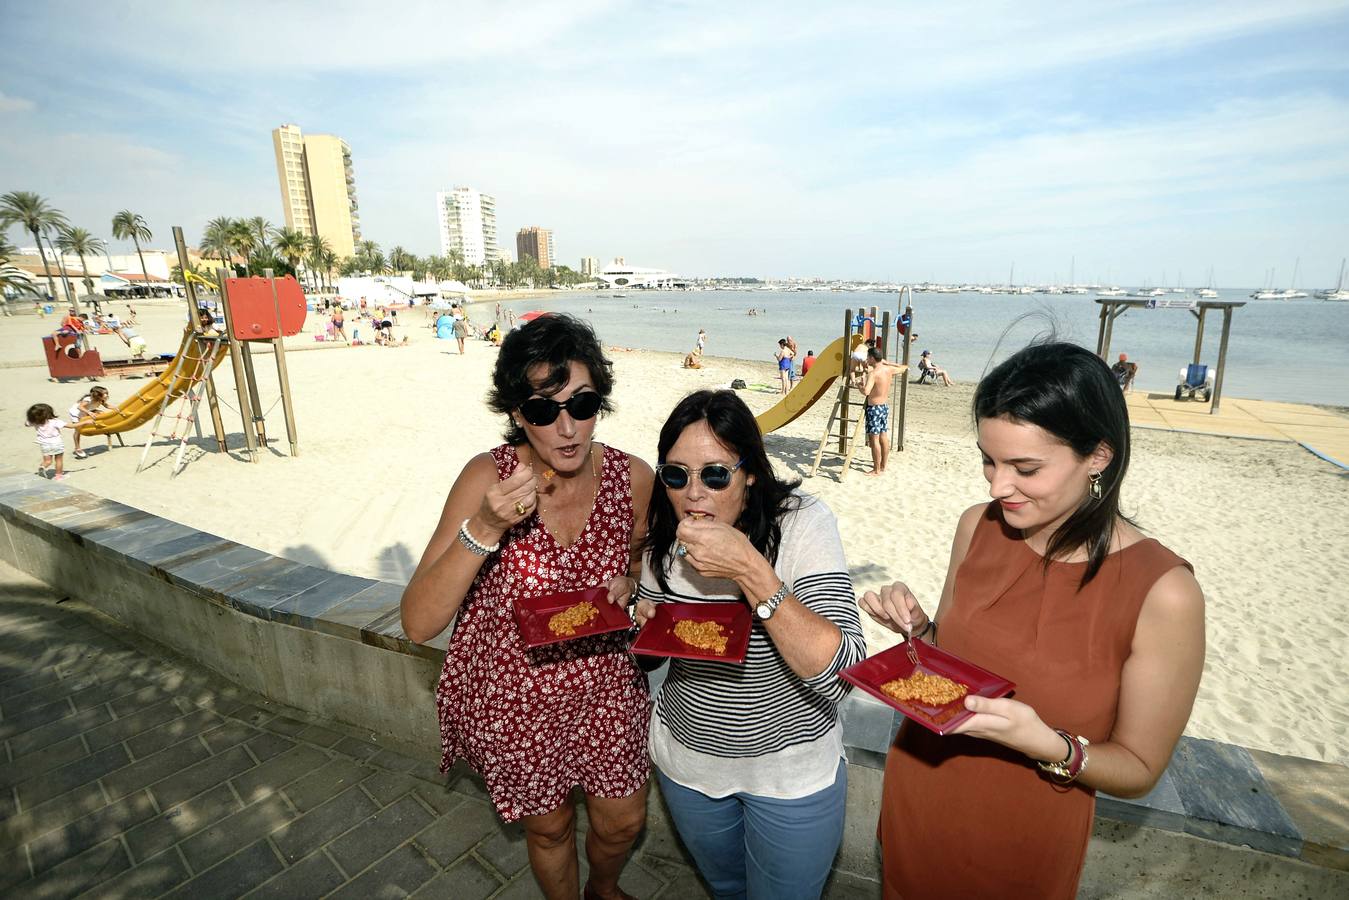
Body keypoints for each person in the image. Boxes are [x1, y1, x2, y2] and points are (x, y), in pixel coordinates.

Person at [860, 341, 1205, 899]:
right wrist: (920, 632)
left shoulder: (1164, 593)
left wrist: (1049, 744)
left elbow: (1139, 766)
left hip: (1024, 834)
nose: (997, 487)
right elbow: (954, 669)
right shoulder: (977, 525)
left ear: (1099, 455)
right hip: (919, 797)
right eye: (988, 459)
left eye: (1025, 468)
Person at [402, 314, 654, 900]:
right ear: (518, 413)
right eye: (544, 410)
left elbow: (641, 564)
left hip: (606, 684)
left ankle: (604, 888)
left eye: (582, 405)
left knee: (623, 822)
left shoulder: (632, 478)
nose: (567, 429)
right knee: (549, 828)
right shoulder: (487, 477)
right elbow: (418, 622)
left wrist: (632, 586)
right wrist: (485, 526)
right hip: (514, 694)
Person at [633, 389, 864, 900]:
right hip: (688, 763)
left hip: (791, 771)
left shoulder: (802, 522)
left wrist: (750, 570)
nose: (694, 494)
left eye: (715, 474)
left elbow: (842, 670)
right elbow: (650, 656)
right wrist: (638, 623)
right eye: (676, 475)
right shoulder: (665, 535)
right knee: (727, 888)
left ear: (751, 472)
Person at [854, 346, 904, 476]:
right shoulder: (888, 369)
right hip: (884, 407)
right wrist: (888, 363)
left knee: (874, 439)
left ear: (871, 358)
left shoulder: (874, 373)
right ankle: (883, 466)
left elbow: (866, 392)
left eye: (867, 358)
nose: (866, 360)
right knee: (883, 436)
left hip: (874, 408)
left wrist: (860, 386)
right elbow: (903, 368)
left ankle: (876, 470)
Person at [27, 403, 73, 481]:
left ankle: (43, 467)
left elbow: (27, 424)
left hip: (44, 444)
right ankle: (59, 476)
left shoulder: (35, 422)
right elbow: (71, 426)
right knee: (58, 460)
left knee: (47, 461)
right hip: (57, 443)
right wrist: (84, 422)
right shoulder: (54, 421)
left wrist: (32, 417)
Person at [69, 386, 113, 459]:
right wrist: (89, 412)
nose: (106, 395)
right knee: (78, 430)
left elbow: (107, 406)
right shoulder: (88, 399)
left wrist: (117, 408)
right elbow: (80, 407)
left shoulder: (101, 399)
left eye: (106, 393)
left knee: (100, 412)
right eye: (104, 393)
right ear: (97, 395)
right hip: (76, 414)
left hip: (87, 411)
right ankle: (77, 448)